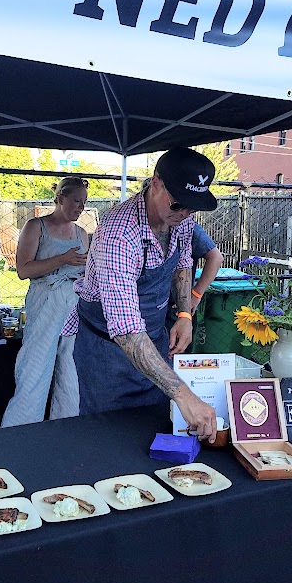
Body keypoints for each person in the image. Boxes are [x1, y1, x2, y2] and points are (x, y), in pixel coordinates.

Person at [61, 147, 219, 442]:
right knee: (109, 439)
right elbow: (126, 330)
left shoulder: (181, 221)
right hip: (107, 349)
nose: (184, 213)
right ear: (155, 182)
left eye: (191, 207)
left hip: (155, 338)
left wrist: (185, 314)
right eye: (177, 205)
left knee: (154, 432)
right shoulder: (118, 233)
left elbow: (183, 262)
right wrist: (184, 395)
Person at [1, 177, 89, 427]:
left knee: (70, 367)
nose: (80, 207)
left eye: (84, 203)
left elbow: (84, 270)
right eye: (75, 201)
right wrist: (63, 259)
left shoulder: (81, 234)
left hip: (73, 303)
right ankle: (20, 430)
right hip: (45, 301)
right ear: (60, 198)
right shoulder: (36, 226)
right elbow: (23, 270)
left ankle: (66, 426)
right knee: (35, 366)